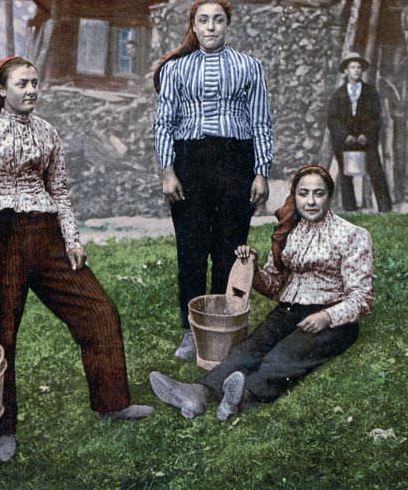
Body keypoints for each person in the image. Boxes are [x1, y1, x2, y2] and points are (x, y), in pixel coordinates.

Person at [0, 56, 151, 462]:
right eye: (22, 84)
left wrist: (72, 241)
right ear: (1, 90)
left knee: (98, 312)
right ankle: (1, 428)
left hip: (48, 237)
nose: (31, 91)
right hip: (3, 237)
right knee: (1, 337)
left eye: (35, 84)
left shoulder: (48, 133)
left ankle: (112, 404)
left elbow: (59, 190)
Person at [149, 164, 373, 420]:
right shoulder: (289, 232)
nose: (310, 201)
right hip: (289, 309)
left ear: (329, 197)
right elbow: (275, 286)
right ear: (295, 195)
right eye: (304, 193)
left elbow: (362, 297)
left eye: (318, 194)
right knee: (249, 348)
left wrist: (327, 317)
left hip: (334, 320)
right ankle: (200, 392)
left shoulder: (352, 235)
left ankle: (242, 398)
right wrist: (252, 268)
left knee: (285, 356)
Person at [152, 0, 274, 361]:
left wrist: (261, 172)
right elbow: (164, 123)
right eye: (203, 20)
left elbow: (260, 121)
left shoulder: (249, 67)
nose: (210, 27)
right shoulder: (176, 69)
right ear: (193, 26)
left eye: (218, 20)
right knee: (191, 249)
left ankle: (224, 326)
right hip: (190, 162)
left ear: (228, 24)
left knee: (229, 248)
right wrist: (168, 170)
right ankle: (191, 330)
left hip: (235, 160)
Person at [326, 52, 393, 212]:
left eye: (358, 67)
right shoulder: (338, 95)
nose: (356, 71)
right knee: (346, 175)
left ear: (362, 71)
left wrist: (366, 135)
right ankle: (350, 209)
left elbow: (376, 117)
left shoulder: (370, 92)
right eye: (352, 67)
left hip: (366, 140)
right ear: (346, 71)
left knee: (376, 172)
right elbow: (333, 119)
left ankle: (385, 209)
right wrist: (345, 136)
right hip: (345, 141)